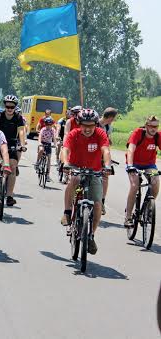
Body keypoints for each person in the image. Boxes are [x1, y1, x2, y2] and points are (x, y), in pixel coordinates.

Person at [61, 109, 111, 255]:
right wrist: (65, 163)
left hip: (94, 170)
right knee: (75, 179)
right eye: (84, 125)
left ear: (96, 124)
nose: (87, 129)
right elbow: (65, 149)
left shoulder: (100, 134)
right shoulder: (73, 134)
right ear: (79, 124)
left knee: (97, 205)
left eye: (91, 125)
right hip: (76, 167)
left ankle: (91, 236)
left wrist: (107, 166)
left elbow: (105, 150)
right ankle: (67, 212)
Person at [124, 115, 160, 227]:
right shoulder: (138, 133)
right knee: (135, 185)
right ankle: (128, 217)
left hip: (149, 164)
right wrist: (130, 166)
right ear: (146, 126)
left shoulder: (158, 136)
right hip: (134, 163)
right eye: (151, 126)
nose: (153, 128)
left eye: (156, 126)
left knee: (155, 183)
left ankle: (148, 208)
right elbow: (131, 149)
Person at [0, 94, 27, 206]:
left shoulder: (18, 117)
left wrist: (22, 144)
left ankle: (9, 195)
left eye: (12, 107)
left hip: (12, 143)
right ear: (5, 106)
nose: (9, 109)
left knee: (13, 167)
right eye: (7, 106)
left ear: (15, 107)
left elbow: (21, 132)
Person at [98, 107, 119, 214]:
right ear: (110, 117)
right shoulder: (94, 123)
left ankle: (101, 201)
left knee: (105, 177)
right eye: (114, 118)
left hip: (102, 155)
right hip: (91, 153)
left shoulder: (108, 127)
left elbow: (108, 143)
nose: (114, 120)